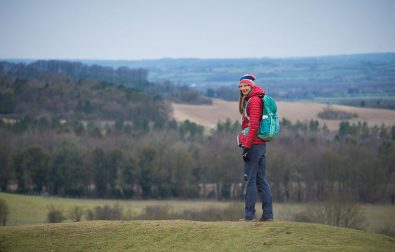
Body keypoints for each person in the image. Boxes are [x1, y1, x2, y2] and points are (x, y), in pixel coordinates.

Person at [237, 74, 273, 222]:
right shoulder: (253, 99)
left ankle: (249, 215)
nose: (243, 88)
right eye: (241, 86)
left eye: (246, 85)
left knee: (251, 180)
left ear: (252, 85)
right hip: (259, 145)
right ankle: (267, 215)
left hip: (254, 145)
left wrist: (247, 145)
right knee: (260, 180)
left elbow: (254, 126)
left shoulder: (254, 101)